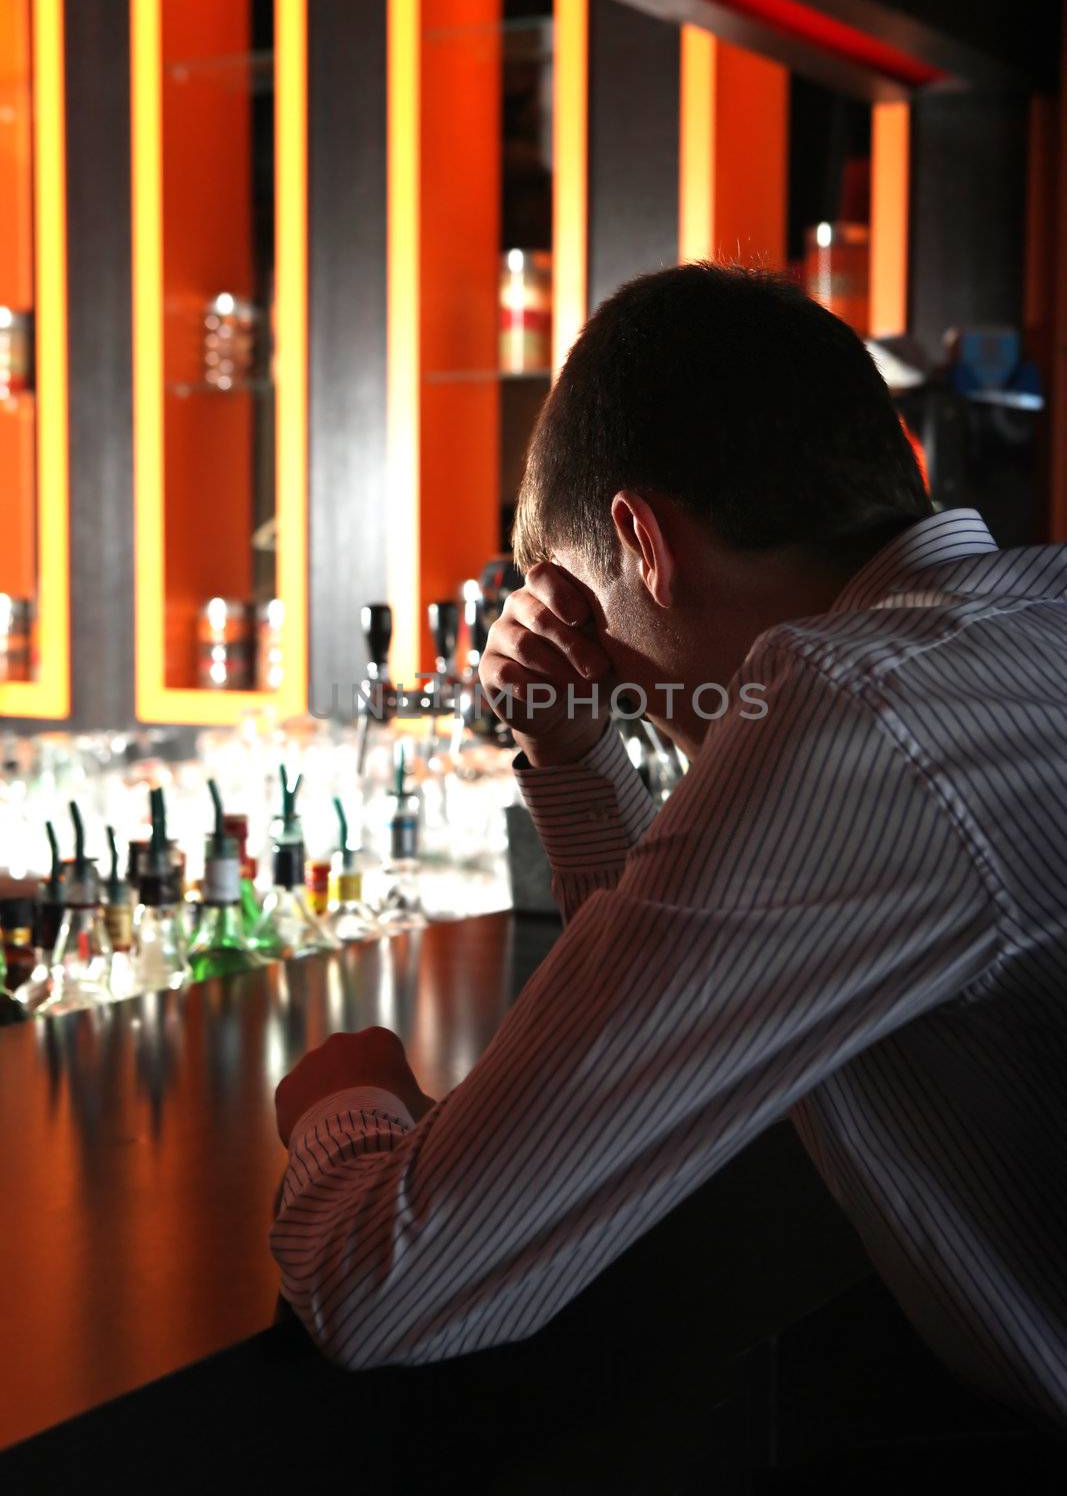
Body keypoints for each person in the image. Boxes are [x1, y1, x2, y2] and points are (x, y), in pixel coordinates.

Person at [270, 265, 1067, 1451]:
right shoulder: (1022, 620)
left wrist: (345, 1105)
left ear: (642, 540)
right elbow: (680, 1028)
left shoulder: (850, 708)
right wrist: (579, 743)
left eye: (583, 621)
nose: (619, 690)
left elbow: (389, 1283)